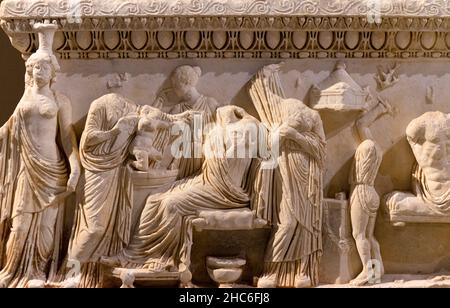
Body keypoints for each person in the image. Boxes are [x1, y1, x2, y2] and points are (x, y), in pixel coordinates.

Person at [101, 106, 263, 276]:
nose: (224, 115)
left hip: (223, 192)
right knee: (154, 199)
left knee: (171, 204)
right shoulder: (218, 134)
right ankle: (132, 255)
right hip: (205, 181)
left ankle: (158, 258)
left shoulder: (244, 138)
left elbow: (227, 162)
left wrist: (225, 138)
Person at [0, 22, 80, 288]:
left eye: (46, 66)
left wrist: (75, 167)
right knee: (19, 226)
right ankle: (13, 273)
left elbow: (67, 138)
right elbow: (8, 130)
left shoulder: (59, 100)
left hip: (53, 169)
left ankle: (39, 273)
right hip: (28, 170)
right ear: (30, 69)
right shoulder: (24, 100)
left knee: (47, 230)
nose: (40, 70)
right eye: (36, 66)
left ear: (53, 72)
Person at [349, 97, 393, 286]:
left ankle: (367, 271)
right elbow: (361, 125)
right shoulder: (376, 149)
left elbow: (361, 125)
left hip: (361, 193)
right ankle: (378, 269)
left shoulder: (364, 149)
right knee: (369, 236)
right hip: (372, 192)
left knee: (358, 235)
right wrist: (378, 109)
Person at [168, 65, 220, 179]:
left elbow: (221, 131)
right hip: (184, 161)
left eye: (175, 85)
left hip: (208, 159)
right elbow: (167, 135)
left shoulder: (210, 104)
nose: (173, 89)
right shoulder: (177, 109)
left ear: (185, 83)